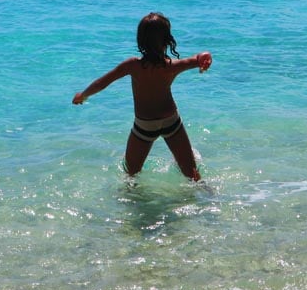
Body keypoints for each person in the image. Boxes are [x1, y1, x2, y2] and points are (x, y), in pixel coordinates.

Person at [72, 12, 212, 182]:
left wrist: (83, 95)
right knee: (192, 174)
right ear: (168, 40)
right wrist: (204, 57)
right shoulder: (172, 66)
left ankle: (131, 204)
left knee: (130, 174)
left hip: (144, 126)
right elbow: (196, 59)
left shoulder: (133, 65)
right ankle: (208, 198)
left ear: (141, 40)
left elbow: (103, 82)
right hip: (171, 122)